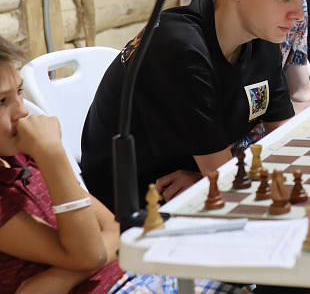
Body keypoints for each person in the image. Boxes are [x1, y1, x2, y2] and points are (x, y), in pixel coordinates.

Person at [80, 0, 310, 210]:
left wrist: (210, 177)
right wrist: (214, 177)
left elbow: (285, 144)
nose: (298, 14)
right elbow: (221, 175)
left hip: (196, 184)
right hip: (137, 209)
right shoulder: (179, 47)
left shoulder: (263, 40)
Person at [0, 38, 250, 294]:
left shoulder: (22, 155)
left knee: (248, 265)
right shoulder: (38, 154)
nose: (22, 111)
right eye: (1, 101)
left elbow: (115, 229)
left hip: (132, 275)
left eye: (18, 92)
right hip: (117, 286)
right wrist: (52, 153)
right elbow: (89, 254)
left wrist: (62, 277)